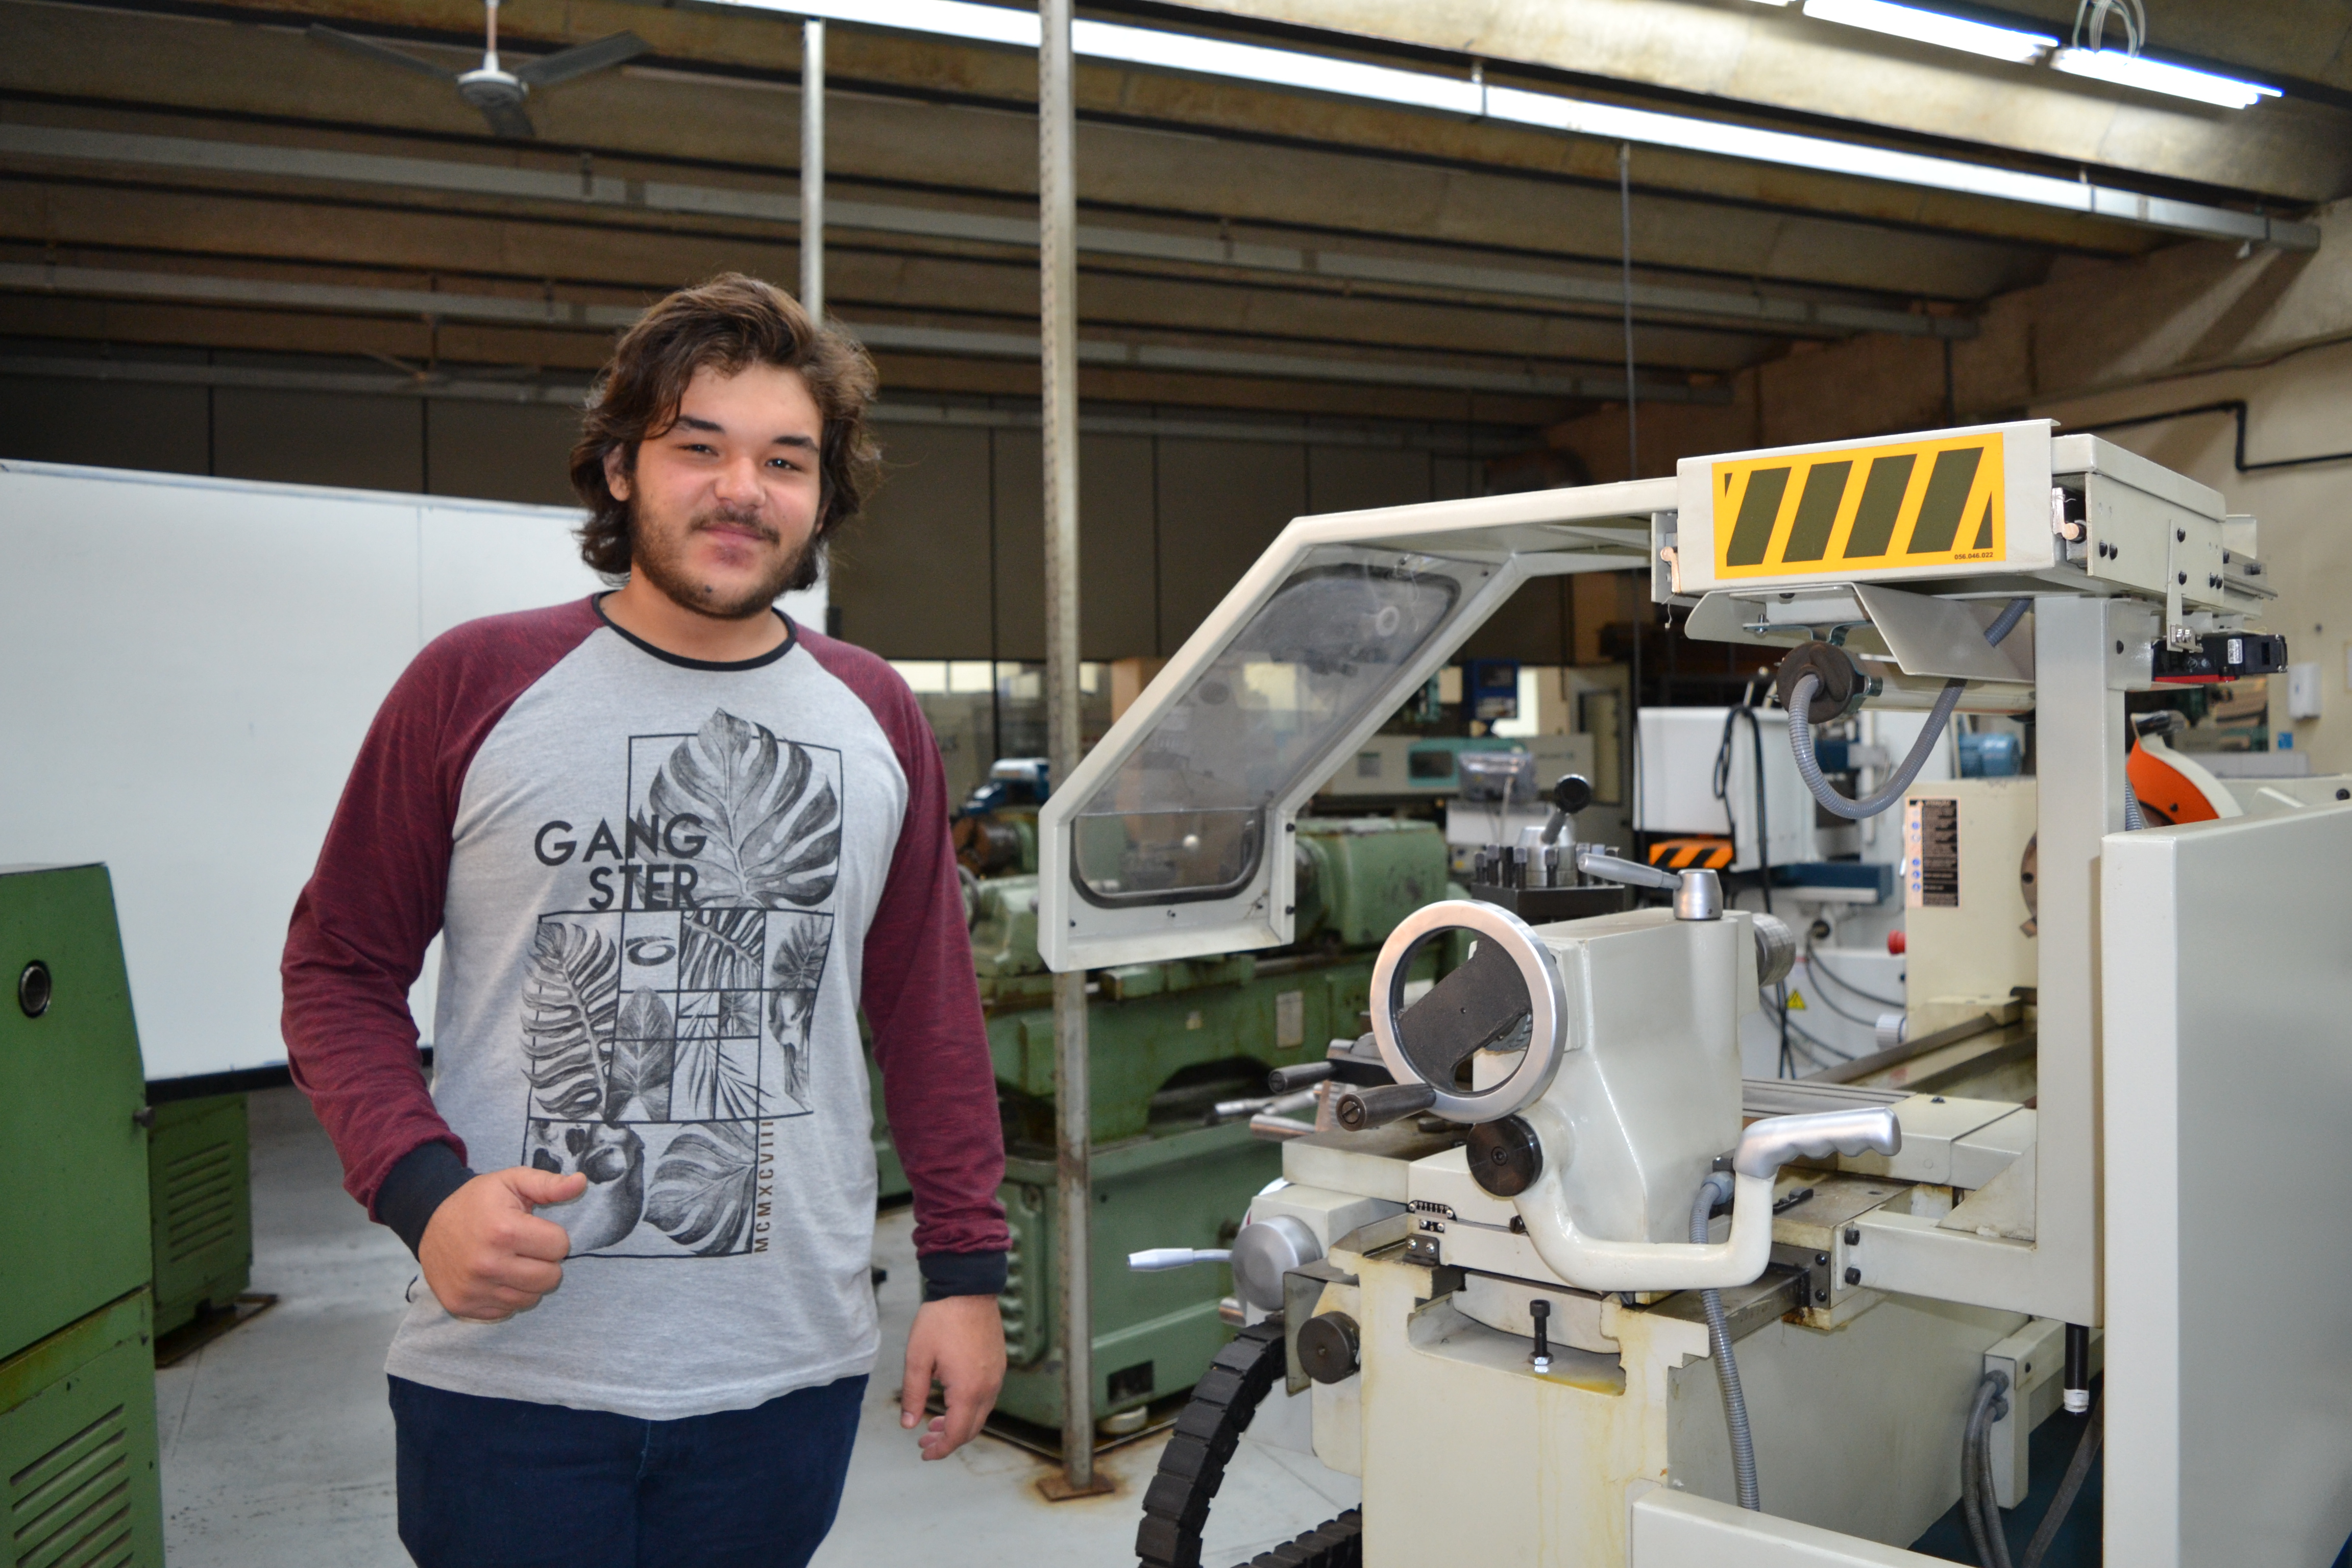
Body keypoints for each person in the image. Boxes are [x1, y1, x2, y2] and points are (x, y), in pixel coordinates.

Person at [282, 273, 1008, 1568]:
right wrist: (424, 1196)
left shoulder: (876, 714)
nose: (742, 490)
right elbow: (336, 970)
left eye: (785, 459)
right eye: (697, 448)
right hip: (510, 1372)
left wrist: (965, 1279)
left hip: (786, 1370)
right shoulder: (474, 682)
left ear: (822, 496)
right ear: (620, 469)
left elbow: (929, 1017)